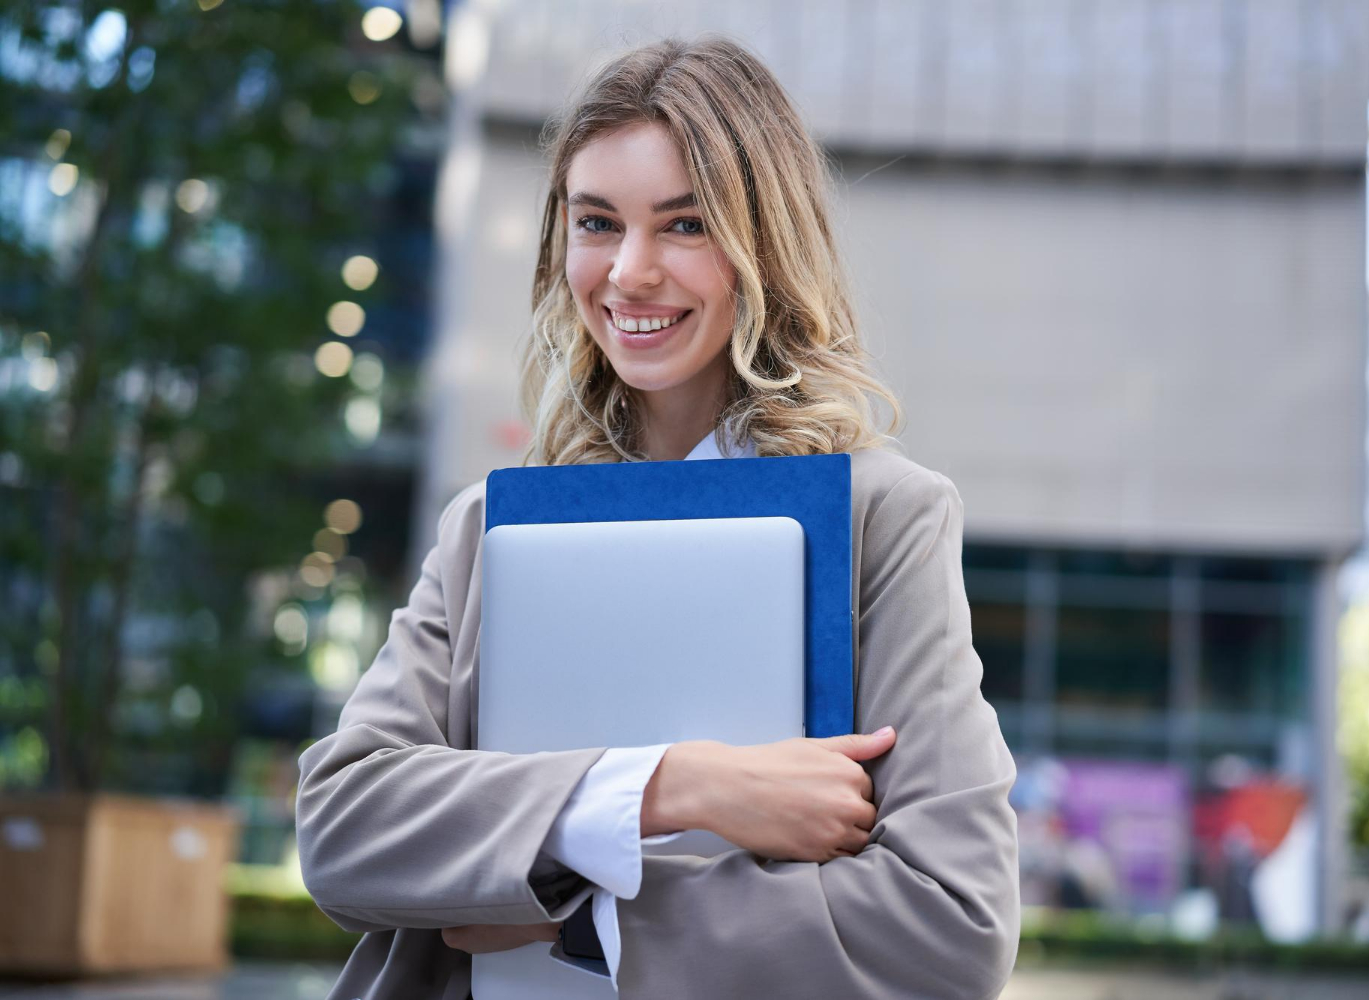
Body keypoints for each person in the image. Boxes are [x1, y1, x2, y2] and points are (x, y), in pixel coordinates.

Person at [295, 36, 1020, 1000]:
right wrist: (672, 786)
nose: (630, 272)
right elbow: (344, 826)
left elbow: (952, 923)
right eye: (597, 222)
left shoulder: (880, 520)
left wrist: (579, 917)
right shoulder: (491, 529)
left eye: (685, 225)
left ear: (764, 245)